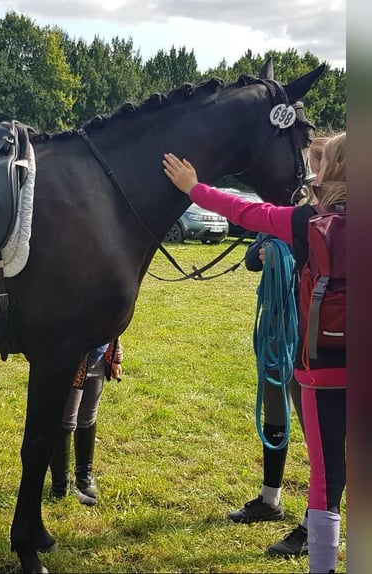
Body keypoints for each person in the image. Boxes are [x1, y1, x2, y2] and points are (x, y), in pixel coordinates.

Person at [163, 132, 346, 574]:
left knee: (325, 473)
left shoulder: (306, 222)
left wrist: (193, 188)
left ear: (332, 170)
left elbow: (245, 211)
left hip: (320, 369)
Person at [228, 136, 327, 557]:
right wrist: (267, 250)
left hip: (312, 343)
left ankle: (314, 522)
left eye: (316, 165)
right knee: (275, 412)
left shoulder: (328, 222)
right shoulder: (292, 213)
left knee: (318, 432)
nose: (309, 174)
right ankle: (270, 499)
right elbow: (251, 257)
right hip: (276, 335)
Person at [48, 338, 123, 506]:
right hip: (72, 362)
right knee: (66, 421)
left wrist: (115, 357)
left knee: (88, 418)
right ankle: (60, 484)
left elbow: (114, 325)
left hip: (99, 361)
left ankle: (85, 477)